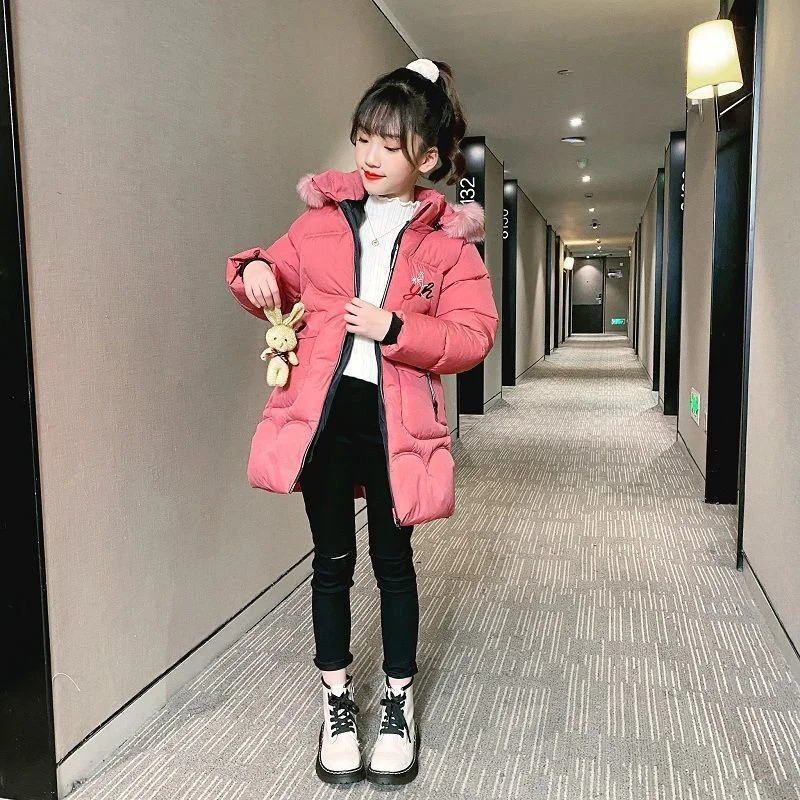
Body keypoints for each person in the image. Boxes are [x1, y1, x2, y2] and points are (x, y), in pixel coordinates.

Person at [225, 58, 498, 786]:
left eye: (389, 143)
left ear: (428, 158)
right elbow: (270, 274)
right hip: (324, 418)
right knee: (331, 562)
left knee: (394, 563)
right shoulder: (319, 223)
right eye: (363, 138)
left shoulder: (448, 246)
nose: (371, 155)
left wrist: (395, 327)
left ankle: (398, 704)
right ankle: (337, 701)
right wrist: (254, 271)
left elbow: (474, 335)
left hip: (396, 424)